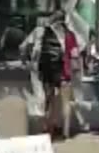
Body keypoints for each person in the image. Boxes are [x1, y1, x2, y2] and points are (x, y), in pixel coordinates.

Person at [21, 10, 80, 139]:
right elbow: (74, 55)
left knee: (49, 100)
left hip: (47, 69)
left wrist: (26, 61)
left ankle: (48, 128)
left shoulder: (41, 32)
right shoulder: (70, 35)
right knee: (66, 102)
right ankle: (66, 132)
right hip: (65, 71)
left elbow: (23, 47)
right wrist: (75, 70)